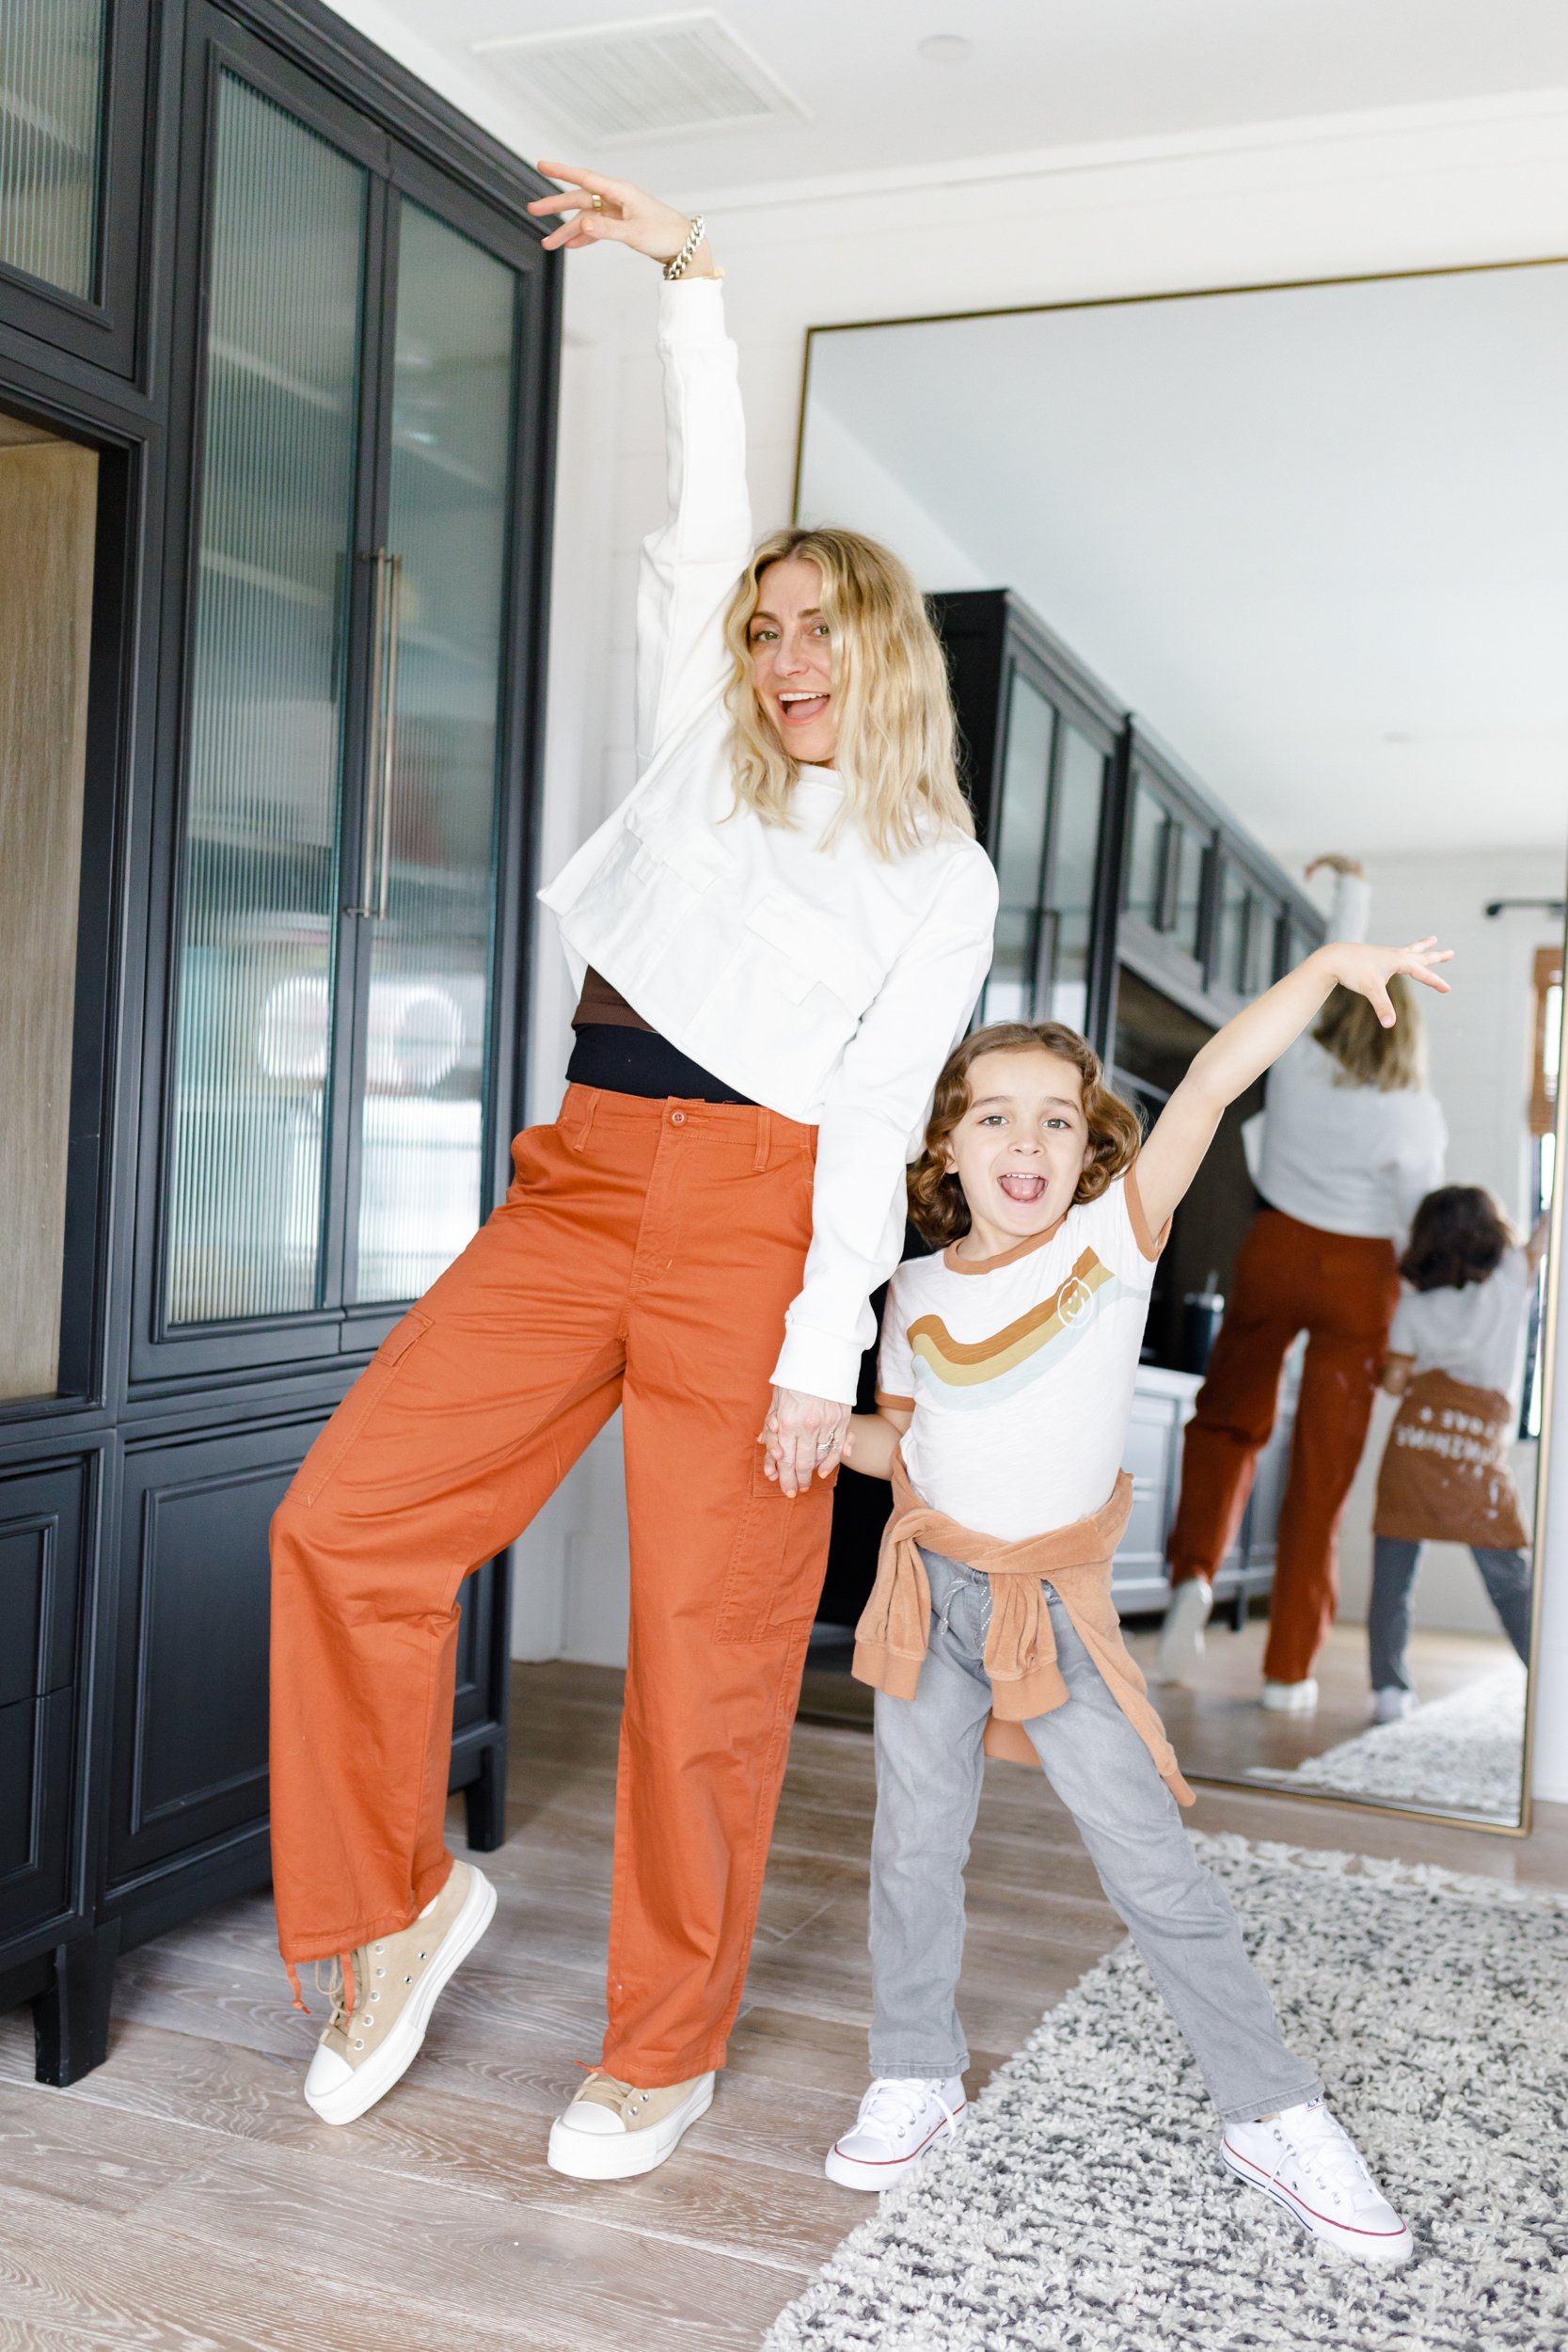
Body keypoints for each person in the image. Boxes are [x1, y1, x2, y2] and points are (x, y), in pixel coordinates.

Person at [265, 166, 998, 2181]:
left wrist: (813, 1345)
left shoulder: (934, 873)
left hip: (759, 1229)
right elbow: (693, 509)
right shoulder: (703, 751)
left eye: (817, 633)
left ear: (883, 655)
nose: (780, 659)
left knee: (704, 1656)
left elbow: (872, 1123)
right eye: (763, 629)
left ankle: (658, 2039)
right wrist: (692, 279)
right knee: (346, 1525)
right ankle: (392, 1905)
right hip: (576, 1179)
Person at [826, 918, 1450, 2263]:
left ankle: (1268, 2109)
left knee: (1151, 1867)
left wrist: (1321, 973)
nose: (1028, 1142)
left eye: (1057, 1119)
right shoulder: (912, 1287)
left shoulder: (1112, 1242)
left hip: (1050, 1608)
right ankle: (912, 2067)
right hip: (923, 1589)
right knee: (911, 1849)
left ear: (1090, 1146)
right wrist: (824, 1431)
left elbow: (1219, 1080)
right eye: (994, 1115)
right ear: (946, 1148)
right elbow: (906, 1445)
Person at [1158, 856, 1448, 1709]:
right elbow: (1418, 1232)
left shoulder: (1291, 1065)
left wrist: (1350, 898)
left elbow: (1322, 975)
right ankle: (1288, 1671)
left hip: (1274, 1249)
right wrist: (1406, 1343)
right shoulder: (1413, 1112)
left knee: (1226, 1421)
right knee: (1321, 1471)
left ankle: (1190, 1578)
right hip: (1360, 1277)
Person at [1366, 1186, 1545, 1719]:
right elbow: (1540, 1238)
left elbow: (1396, 1383)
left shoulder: (1414, 1304)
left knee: (1393, 1579)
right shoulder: (1512, 1276)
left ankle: (1388, 1692)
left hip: (1413, 1450)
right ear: (1492, 1235)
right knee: (1509, 1577)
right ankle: (1548, 1680)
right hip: (1474, 1455)